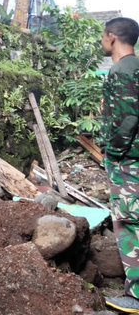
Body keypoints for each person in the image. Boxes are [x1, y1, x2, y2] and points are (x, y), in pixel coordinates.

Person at [100, 17, 139, 313]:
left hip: (127, 161)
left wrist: (112, 154)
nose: (102, 41)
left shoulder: (121, 70)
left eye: (103, 36)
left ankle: (136, 295)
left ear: (112, 37)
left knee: (128, 223)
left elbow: (127, 119)